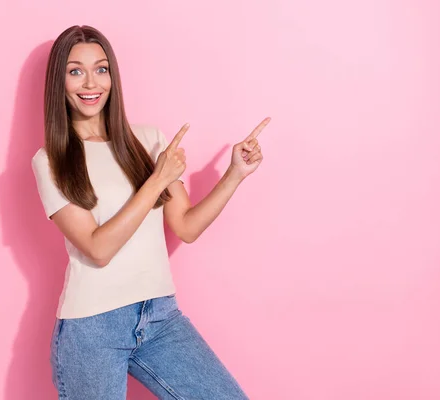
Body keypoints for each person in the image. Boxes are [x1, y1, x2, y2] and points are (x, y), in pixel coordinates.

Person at [31, 25, 270, 400]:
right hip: (92, 328)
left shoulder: (148, 140)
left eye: (102, 68)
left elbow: (186, 227)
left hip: (160, 317)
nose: (90, 82)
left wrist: (235, 173)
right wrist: (156, 181)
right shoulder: (52, 160)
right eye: (75, 70)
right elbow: (98, 248)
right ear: (58, 82)